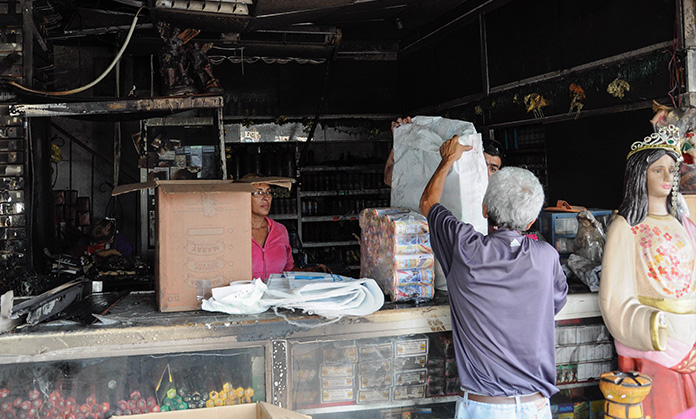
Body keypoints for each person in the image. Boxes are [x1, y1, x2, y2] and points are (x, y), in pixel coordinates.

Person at [419, 135, 568, 419]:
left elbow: (428, 202)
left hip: (485, 409)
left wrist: (448, 158)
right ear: (531, 221)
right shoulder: (547, 257)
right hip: (536, 407)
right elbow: (553, 304)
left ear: (484, 209)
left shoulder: (465, 247)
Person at [598, 125, 696, 419]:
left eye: (672, 170)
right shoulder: (625, 227)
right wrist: (652, 326)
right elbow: (613, 297)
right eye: (658, 170)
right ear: (641, 175)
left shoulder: (683, 224)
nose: (668, 177)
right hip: (657, 340)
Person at [384, 117, 503, 185]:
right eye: (482, 165)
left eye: (492, 169)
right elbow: (389, 179)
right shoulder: (448, 177)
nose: (486, 173)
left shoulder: (497, 201)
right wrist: (400, 142)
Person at [246, 178, 295, 281]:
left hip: (277, 295)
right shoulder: (235, 232)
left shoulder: (280, 230)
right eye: (259, 192)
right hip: (244, 295)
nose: (266, 197)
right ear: (244, 196)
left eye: (268, 192)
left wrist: (310, 270)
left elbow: (288, 270)